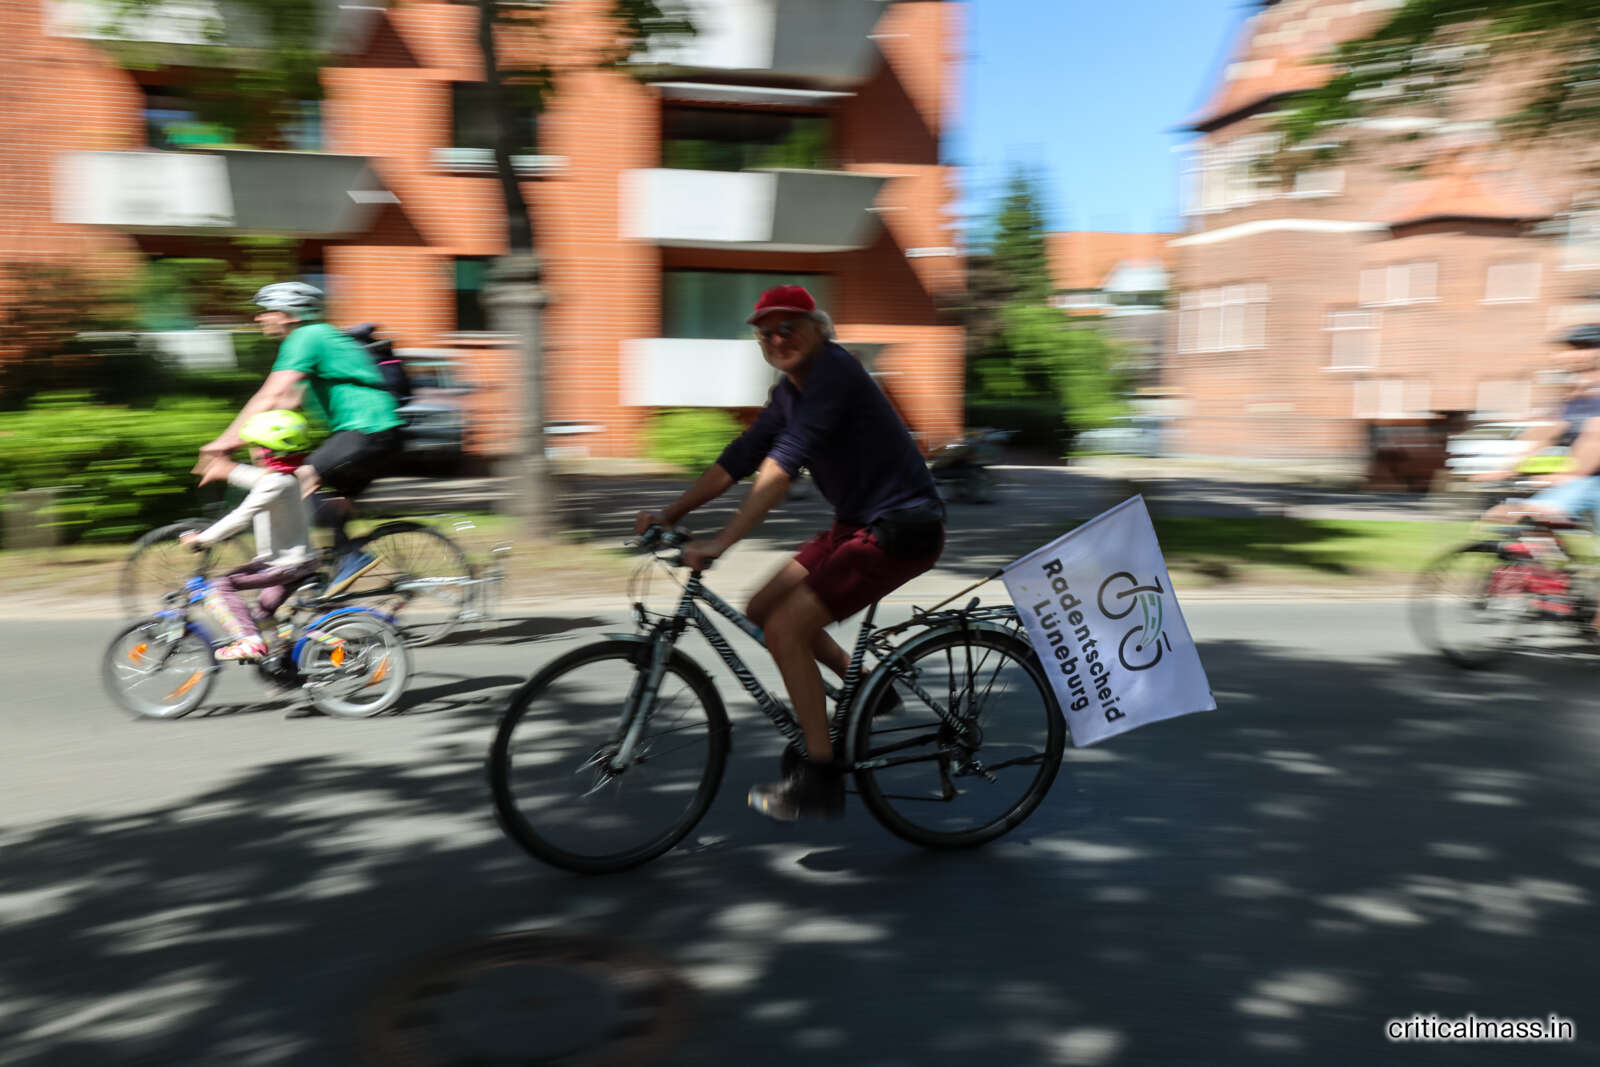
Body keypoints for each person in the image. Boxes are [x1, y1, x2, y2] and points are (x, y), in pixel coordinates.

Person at [634, 285, 946, 821]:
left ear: (818, 329)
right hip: (856, 525)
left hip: (902, 528)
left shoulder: (834, 376)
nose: (777, 339)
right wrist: (671, 513)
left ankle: (820, 777)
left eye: (789, 327)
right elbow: (739, 459)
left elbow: (778, 472)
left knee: (786, 628)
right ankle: (870, 687)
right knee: (761, 608)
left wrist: (721, 542)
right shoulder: (789, 393)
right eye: (765, 332)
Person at [198, 283, 404, 595]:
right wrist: (257, 445)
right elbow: (286, 403)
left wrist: (226, 442)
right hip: (378, 432)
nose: (259, 318)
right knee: (329, 501)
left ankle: (340, 561)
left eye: (267, 310)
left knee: (296, 484)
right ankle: (336, 568)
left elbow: (271, 394)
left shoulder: (307, 336)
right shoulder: (319, 340)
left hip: (368, 430)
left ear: (289, 315)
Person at [182, 410, 320, 661]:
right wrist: (227, 470)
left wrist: (203, 539)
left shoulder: (275, 482)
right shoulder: (288, 476)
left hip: (282, 565)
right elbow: (258, 479)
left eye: (256, 446)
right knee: (263, 612)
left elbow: (242, 516)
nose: (253, 451)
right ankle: (282, 662)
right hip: (299, 562)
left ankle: (250, 642)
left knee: (219, 586)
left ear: (267, 451)